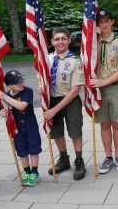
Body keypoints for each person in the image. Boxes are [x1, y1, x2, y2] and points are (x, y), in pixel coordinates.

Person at [38, 27, 86, 180]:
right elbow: (42, 79)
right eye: (57, 39)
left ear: (69, 40)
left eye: (63, 39)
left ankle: (79, 161)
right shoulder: (46, 59)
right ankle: (64, 158)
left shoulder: (75, 62)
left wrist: (55, 109)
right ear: (52, 42)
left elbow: (75, 89)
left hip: (69, 101)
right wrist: (41, 88)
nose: (60, 42)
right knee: (56, 132)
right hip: (52, 101)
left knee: (75, 130)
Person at [90, 10, 118, 174]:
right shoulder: (93, 44)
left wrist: (104, 81)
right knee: (104, 123)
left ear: (112, 22)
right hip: (98, 89)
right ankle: (108, 157)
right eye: (101, 22)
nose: (104, 25)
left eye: (107, 21)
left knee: (116, 122)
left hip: (115, 87)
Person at [0, 70, 42, 186]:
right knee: (21, 148)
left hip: (29, 123)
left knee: (33, 146)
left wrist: (5, 98)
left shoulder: (27, 91)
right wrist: (2, 112)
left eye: (22, 80)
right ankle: (27, 172)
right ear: (10, 86)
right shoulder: (6, 95)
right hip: (16, 125)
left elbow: (22, 105)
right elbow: (3, 110)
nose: (21, 84)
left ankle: (35, 172)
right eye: (18, 83)